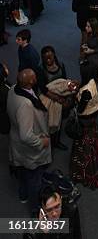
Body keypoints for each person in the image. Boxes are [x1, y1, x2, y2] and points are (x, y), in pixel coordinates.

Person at [7, 69, 52, 210]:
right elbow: (26, 135)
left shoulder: (14, 89)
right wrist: (41, 142)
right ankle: (35, 210)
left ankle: (23, 194)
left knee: (21, 172)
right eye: (34, 77)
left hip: (17, 144)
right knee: (34, 181)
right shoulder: (25, 105)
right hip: (29, 149)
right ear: (30, 82)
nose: (36, 78)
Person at [70, 67, 98, 189]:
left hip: (86, 116)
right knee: (94, 134)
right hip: (96, 111)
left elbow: (80, 109)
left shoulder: (86, 91)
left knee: (84, 142)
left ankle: (89, 168)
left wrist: (74, 93)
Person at [37, 46, 69, 151]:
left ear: (54, 55)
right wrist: (57, 98)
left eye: (50, 56)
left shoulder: (61, 65)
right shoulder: (41, 69)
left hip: (62, 96)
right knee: (51, 122)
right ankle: (51, 142)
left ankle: (57, 141)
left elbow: (64, 81)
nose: (49, 60)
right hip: (49, 99)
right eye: (46, 58)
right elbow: (43, 89)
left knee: (60, 120)